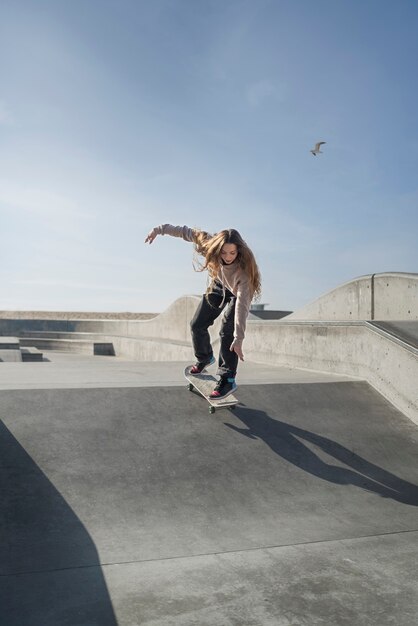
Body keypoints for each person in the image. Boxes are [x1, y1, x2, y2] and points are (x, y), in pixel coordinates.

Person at [145, 224, 261, 399]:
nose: (228, 257)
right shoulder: (209, 243)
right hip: (218, 285)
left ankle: (227, 378)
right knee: (197, 324)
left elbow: (242, 307)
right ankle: (205, 357)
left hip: (238, 293)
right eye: (223, 253)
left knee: (227, 332)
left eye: (232, 253)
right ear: (216, 249)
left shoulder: (244, 274)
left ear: (239, 251)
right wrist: (159, 230)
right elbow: (186, 232)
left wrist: (239, 338)